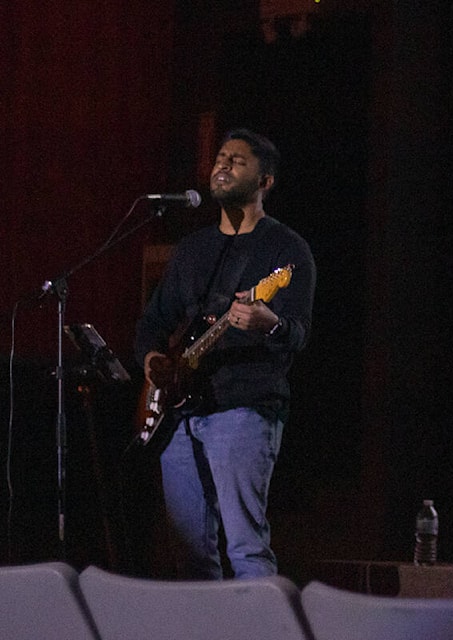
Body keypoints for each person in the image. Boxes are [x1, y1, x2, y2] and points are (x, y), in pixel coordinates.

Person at [134, 129, 316, 579]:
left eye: (237, 160)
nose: (222, 165)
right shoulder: (194, 249)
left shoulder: (286, 251)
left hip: (244, 408)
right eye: (220, 157)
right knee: (191, 556)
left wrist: (266, 321)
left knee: (245, 548)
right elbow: (152, 323)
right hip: (178, 415)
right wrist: (154, 362)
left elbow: (298, 333)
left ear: (265, 181)